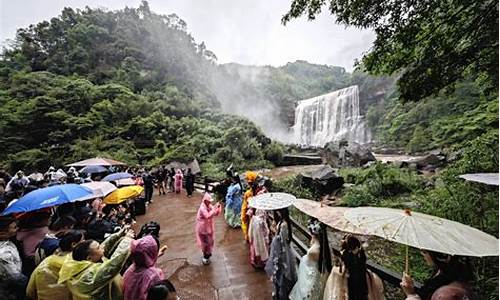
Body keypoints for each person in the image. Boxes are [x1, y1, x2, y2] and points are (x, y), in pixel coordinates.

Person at [58, 227, 135, 300]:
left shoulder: (80, 262)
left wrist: (119, 234)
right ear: (89, 258)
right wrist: (128, 241)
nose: (102, 247)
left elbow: (104, 246)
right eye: (98, 248)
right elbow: (112, 265)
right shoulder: (87, 277)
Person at [26, 230, 84, 300]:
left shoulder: (47, 261)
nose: (84, 242)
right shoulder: (78, 265)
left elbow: (30, 291)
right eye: (82, 240)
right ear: (74, 244)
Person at [323, 234, 385, 300]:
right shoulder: (359, 256)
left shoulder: (346, 256)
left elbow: (342, 268)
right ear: (357, 247)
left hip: (353, 281)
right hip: (360, 281)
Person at [400, 250, 474, 300]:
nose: (422, 253)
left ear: (439, 255)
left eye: (425, 251)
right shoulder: (447, 272)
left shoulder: (446, 295)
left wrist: (410, 294)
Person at [290, 219, 332, 300]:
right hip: (316, 272)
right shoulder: (324, 247)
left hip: (310, 272)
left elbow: (309, 259)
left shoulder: (313, 251)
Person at [265, 208, 297, 300]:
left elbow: (282, 240)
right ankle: (279, 290)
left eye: (278, 211)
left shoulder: (284, 224)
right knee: (279, 270)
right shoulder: (282, 222)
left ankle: (283, 293)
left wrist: (275, 231)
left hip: (282, 250)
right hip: (279, 248)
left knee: (282, 269)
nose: (277, 213)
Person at [123, 235, 168, 300]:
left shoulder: (130, 269)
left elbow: (144, 264)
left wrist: (155, 256)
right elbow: (163, 294)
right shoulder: (154, 275)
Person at [0, 215, 28, 300]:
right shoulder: (4, 254)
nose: (17, 229)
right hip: (8, 291)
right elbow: (15, 277)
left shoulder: (7, 242)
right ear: (2, 232)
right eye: (14, 227)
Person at [195, 193, 222, 265]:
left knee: (210, 241)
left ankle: (208, 254)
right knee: (205, 243)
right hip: (203, 228)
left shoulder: (208, 205)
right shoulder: (202, 208)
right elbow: (207, 215)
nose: (210, 202)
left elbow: (215, 213)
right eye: (209, 201)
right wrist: (214, 209)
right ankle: (205, 256)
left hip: (208, 227)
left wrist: (218, 208)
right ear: (205, 200)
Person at [241, 171, 257, 241]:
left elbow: (244, 206)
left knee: (249, 227)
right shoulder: (259, 191)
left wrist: (243, 216)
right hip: (257, 214)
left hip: (250, 214)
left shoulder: (248, 193)